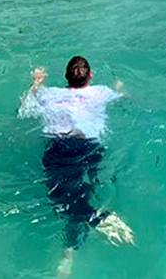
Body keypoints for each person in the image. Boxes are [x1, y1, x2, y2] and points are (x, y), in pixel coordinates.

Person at [18, 57, 134, 277]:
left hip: (59, 147)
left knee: (66, 198)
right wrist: (118, 88)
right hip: (89, 148)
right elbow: (125, 99)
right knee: (80, 194)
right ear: (90, 76)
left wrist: (37, 81)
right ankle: (71, 248)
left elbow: (23, 110)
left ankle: (93, 224)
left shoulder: (50, 94)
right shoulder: (101, 92)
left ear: (66, 78)